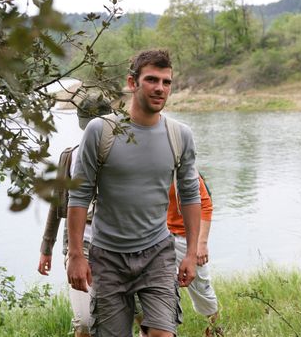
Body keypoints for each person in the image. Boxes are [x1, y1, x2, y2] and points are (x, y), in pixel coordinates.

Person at [67, 49, 201, 337]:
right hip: (108, 257)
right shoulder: (100, 131)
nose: (160, 88)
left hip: (158, 254)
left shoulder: (180, 135)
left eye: (166, 82)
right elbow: (79, 196)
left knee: (162, 334)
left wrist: (191, 252)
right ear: (132, 83)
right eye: (152, 80)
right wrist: (76, 255)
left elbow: (190, 195)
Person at [37, 94, 112, 337]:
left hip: (119, 247)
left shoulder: (125, 156)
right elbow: (58, 205)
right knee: (84, 324)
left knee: (139, 317)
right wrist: (46, 248)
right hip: (81, 248)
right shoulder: (70, 156)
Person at [168, 175, 222, 337]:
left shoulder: (185, 170)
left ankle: (215, 330)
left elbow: (206, 205)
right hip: (161, 237)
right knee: (158, 290)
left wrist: (201, 243)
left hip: (188, 239)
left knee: (202, 291)